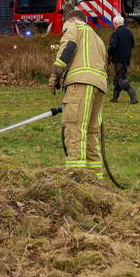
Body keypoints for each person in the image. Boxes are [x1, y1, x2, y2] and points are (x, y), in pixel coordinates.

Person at [48, 9, 108, 178]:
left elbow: (68, 47)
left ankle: (76, 178)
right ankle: (97, 179)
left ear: (73, 19)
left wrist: (55, 75)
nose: (63, 30)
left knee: (74, 129)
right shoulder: (97, 38)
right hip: (99, 86)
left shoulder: (74, 26)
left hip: (80, 84)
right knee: (91, 132)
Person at [107, 15, 137, 104]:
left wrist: (109, 55)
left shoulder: (116, 33)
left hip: (118, 59)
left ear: (115, 23)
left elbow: (113, 47)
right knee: (118, 78)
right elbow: (132, 45)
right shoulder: (129, 32)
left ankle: (133, 98)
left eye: (113, 24)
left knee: (121, 79)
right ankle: (114, 98)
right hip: (126, 59)